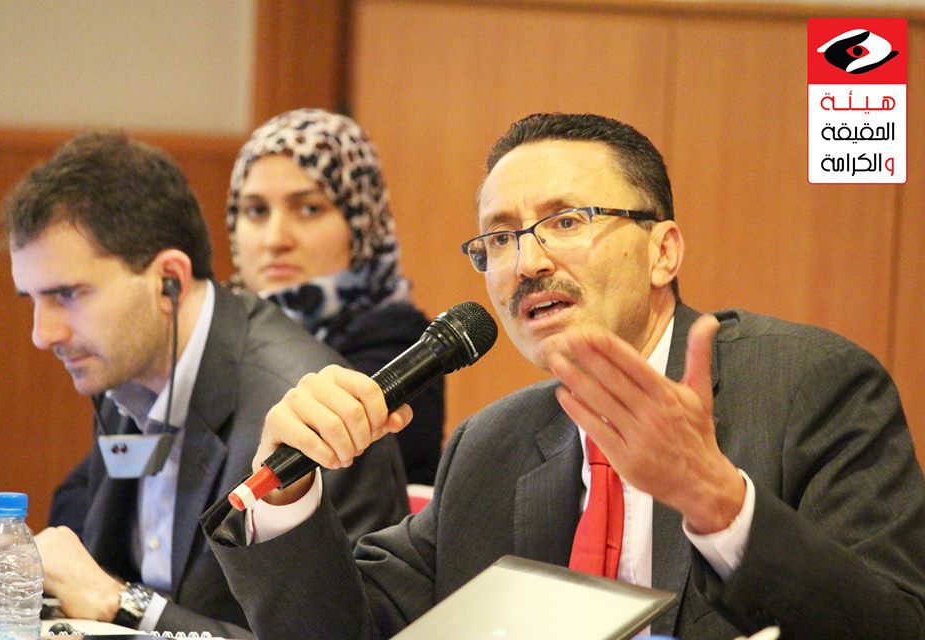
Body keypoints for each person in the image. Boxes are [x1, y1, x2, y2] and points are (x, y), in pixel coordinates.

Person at [204, 113, 925, 639]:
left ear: (663, 252)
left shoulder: (811, 389)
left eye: (567, 221)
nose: (527, 263)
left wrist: (720, 505)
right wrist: (288, 494)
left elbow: (895, 626)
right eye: (499, 238)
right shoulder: (492, 447)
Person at [0, 131, 408, 637]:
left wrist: (124, 604)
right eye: (32, 299)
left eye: (68, 295)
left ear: (170, 281)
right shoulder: (124, 367)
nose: (43, 334)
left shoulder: (307, 416)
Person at [225, 108, 444, 485]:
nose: (275, 239)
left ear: (362, 223)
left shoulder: (403, 346)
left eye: (309, 209)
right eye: (256, 210)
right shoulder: (216, 329)